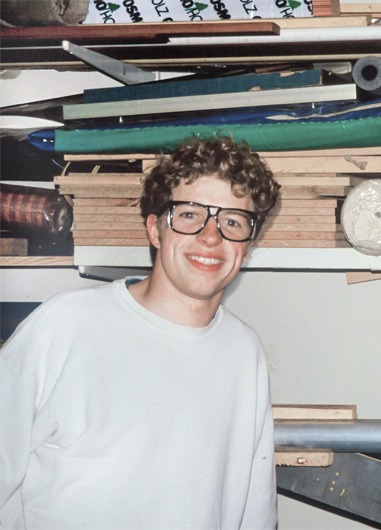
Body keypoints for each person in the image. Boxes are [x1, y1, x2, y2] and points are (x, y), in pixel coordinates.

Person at [0, 136, 281, 529]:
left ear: (247, 247)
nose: (211, 236)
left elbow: (255, 511)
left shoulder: (244, 352)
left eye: (233, 221)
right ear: (155, 229)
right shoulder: (65, 324)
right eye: (189, 215)